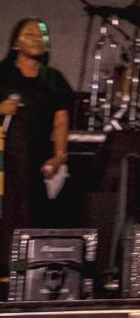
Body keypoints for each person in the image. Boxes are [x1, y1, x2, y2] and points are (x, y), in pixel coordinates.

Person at [1, 18, 72, 252]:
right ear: (15, 43)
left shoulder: (54, 79)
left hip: (35, 159)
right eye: (29, 34)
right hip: (5, 157)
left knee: (31, 214)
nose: (37, 39)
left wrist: (59, 155)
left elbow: (61, 121)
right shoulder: (3, 74)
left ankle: (22, 272)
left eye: (42, 35)